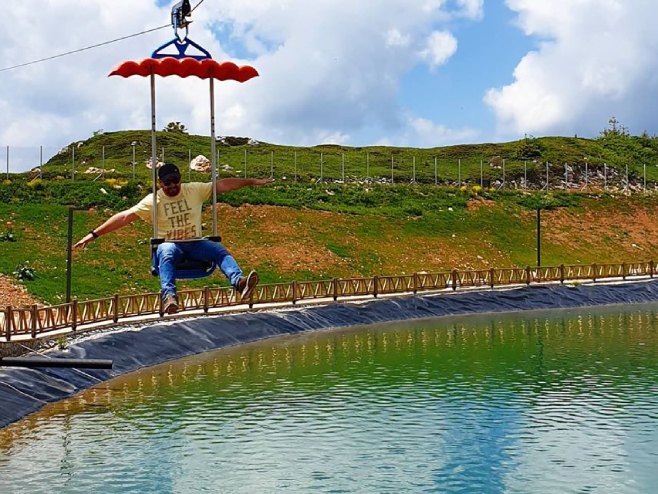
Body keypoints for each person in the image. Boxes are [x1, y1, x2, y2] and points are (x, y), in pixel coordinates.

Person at [74, 163, 273, 314]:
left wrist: (251, 181)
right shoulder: (154, 200)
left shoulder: (194, 190)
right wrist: (93, 235)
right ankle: (169, 296)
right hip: (171, 244)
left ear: (180, 179)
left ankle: (239, 282)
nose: (172, 186)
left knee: (217, 249)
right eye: (167, 183)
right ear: (160, 183)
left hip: (195, 242)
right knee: (166, 252)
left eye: (175, 181)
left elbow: (223, 185)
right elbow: (125, 217)